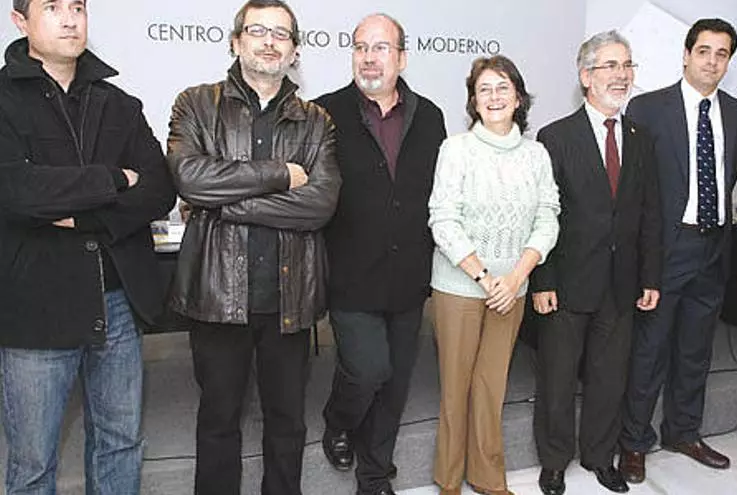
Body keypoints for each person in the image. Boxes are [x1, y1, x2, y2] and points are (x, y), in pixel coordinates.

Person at [0, 0, 176, 493]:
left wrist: (80, 215)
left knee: (120, 443)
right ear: (20, 21)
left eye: (77, 6)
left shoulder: (119, 103)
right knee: (33, 461)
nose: (69, 18)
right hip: (36, 305)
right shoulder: (4, 100)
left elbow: (159, 190)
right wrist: (113, 178)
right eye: (52, 6)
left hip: (116, 299)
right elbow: (17, 192)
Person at [166, 1, 340, 493]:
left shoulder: (317, 121)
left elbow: (320, 204)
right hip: (218, 297)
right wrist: (280, 174)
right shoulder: (196, 104)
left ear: (295, 50)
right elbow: (189, 178)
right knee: (218, 420)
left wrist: (226, 205)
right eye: (258, 30)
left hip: (289, 299)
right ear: (236, 41)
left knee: (287, 422)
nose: (269, 42)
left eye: (281, 34)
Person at [315, 13, 446, 495]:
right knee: (369, 369)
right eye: (360, 47)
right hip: (349, 273)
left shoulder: (430, 116)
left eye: (381, 47)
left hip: (409, 274)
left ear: (402, 58)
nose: (369, 57)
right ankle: (338, 419)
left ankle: (374, 477)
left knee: (395, 384)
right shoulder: (323, 113)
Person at [529, 31, 661, 495]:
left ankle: (600, 457)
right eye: (610, 65)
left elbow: (649, 213)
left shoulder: (642, 139)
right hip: (566, 282)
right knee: (558, 379)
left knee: (610, 378)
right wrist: (542, 280)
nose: (621, 75)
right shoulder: (555, 137)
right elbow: (542, 217)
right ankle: (554, 462)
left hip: (622, 284)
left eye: (627, 65)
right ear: (586, 76)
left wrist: (650, 276)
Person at [619, 18, 737, 483]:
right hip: (665, 250)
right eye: (704, 51)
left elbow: (728, 177)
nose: (712, 61)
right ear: (686, 55)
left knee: (696, 351)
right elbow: (636, 189)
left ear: (728, 62)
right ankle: (634, 442)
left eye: (721, 54)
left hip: (713, 248)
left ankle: (683, 432)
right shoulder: (648, 108)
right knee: (649, 351)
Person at [429, 55, 560, 495]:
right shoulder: (456, 149)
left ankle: (488, 477)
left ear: (518, 98)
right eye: (484, 89)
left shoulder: (536, 155)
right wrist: (486, 279)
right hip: (460, 288)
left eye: (503, 87)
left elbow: (548, 218)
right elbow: (443, 219)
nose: (494, 97)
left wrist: (517, 277)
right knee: (456, 387)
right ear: (473, 100)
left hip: (513, 289)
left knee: (491, 386)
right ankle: (449, 480)